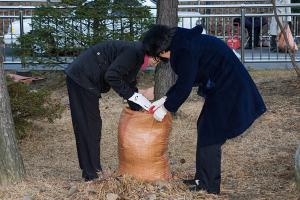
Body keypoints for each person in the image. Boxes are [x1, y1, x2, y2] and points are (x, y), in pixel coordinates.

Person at [143, 24, 267, 194]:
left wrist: (166, 108)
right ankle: (201, 179)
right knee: (204, 126)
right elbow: (189, 77)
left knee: (211, 133)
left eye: (155, 56)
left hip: (229, 86)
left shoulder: (183, 49)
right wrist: (166, 99)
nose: (158, 59)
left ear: (161, 50)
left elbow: (185, 85)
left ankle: (209, 187)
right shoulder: (183, 41)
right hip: (222, 84)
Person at [65, 40, 159, 181]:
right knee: (89, 126)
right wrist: (131, 95)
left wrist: (138, 107)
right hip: (81, 78)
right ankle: (92, 174)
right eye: (157, 60)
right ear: (153, 54)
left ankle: (91, 170)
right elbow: (112, 76)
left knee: (91, 125)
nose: (156, 64)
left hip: (85, 78)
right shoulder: (134, 52)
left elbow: (127, 81)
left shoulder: (137, 54)